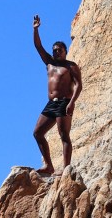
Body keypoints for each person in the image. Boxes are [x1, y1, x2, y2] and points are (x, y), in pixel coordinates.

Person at [32, 15, 82, 175]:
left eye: (59, 50)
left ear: (65, 51)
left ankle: (66, 168)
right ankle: (49, 165)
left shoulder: (71, 66)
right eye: (54, 51)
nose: (56, 53)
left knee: (64, 135)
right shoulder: (49, 63)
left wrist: (72, 102)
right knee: (37, 133)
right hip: (51, 103)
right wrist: (36, 30)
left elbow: (79, 85)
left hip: (64, 102)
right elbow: (38, 47)